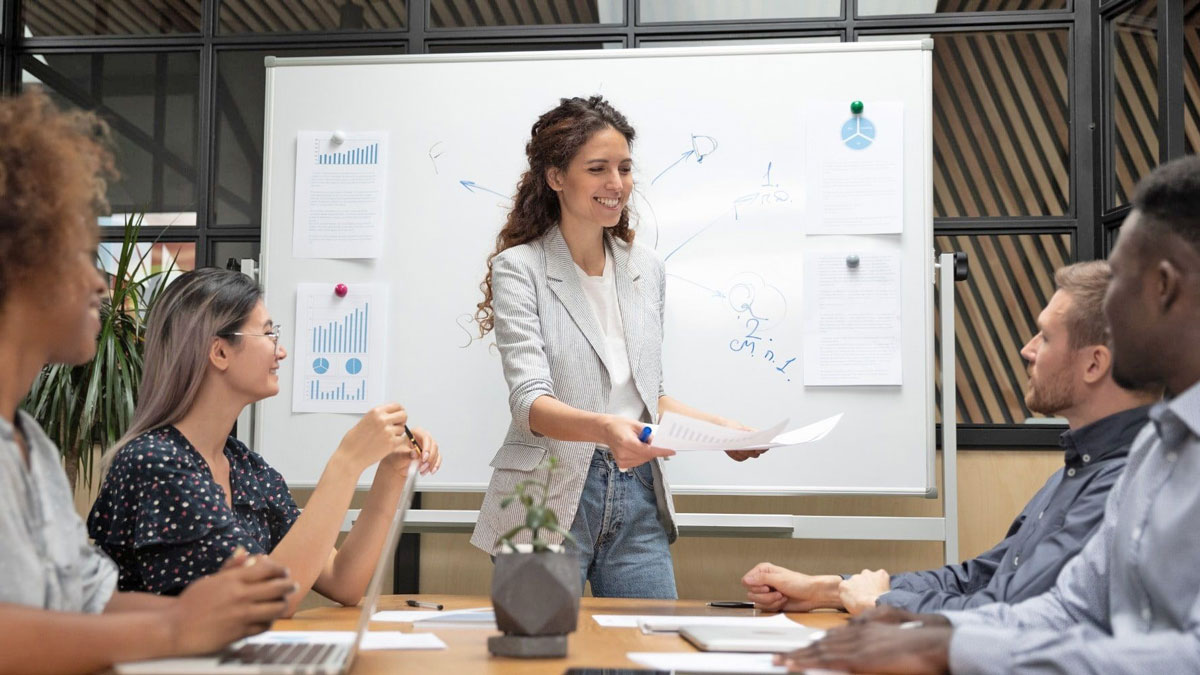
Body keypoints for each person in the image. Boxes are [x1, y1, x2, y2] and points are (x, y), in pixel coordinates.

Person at [779, 155, 1200, 674]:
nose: (1110, 311)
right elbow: (1069, 607)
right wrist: (914, 630)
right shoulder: (1159, 449)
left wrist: (928, 636)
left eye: (1119, 285)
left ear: (1163, 287)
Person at [0, 89, 296, 673]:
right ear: (17, 262)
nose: (98, 282)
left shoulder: (28, 441)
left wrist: (210, 610)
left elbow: (88, 604)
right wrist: (179, 625)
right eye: (78, 254)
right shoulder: (155, 458)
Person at [742, 261, 1158, 615]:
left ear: (1094, 365)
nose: (1027, 350)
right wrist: (833, 589)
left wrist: (881, 603)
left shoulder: (1124, 484)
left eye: (1045, 337)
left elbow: (1003, 610)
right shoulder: (1080, 469)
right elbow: (981, 577)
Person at [468, 95, 761, 599]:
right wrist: (607, 428)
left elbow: (649, 395)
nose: (617, 184)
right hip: (547, 493)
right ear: (556, 177)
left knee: (649, 656)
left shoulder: (646, 269)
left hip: (637, 492)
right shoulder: (521, 268)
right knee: (537, 658)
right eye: (598, 169)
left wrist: (722, 431)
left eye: (624, 168)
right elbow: (529, 405)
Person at [87, 267, 442, 616]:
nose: (281, 351)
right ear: (220, 352)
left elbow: (342, 581)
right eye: (268, 334)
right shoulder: (155, 462)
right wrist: (347, 462)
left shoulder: (246, 468)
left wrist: (390, 474)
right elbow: (268, 601)